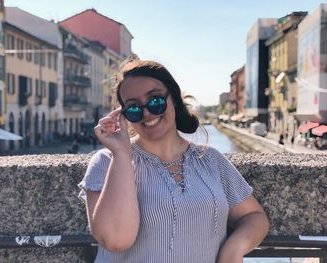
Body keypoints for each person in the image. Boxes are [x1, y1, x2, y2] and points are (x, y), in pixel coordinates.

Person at [78, 57, 269, 263]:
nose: (147, 112)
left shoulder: (211, 160)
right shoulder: (107, 161)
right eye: (133, 108)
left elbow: (253, 217)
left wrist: (233, 250)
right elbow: (116, 240)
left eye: (156, 100)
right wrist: (122, 154)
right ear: (123, 116)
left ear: (174, 99)